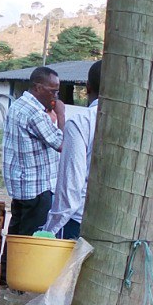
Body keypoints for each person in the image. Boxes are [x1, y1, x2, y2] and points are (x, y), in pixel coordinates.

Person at [2, 66, 65, 238]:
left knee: (15, 236)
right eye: (53, 91)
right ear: (38, 88)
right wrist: (61, 115)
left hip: (21, 184)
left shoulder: (19, 104)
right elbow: (61, 144)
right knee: (29, 241)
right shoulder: (35, 113)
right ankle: (18, 266)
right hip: (37, 187)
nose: (55, 96)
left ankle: (7, 266)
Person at [44, 60, 101, 240]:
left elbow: (70, 189)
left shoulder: (82, 122)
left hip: (79, 222)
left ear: (88, 88)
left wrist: (49, 229)